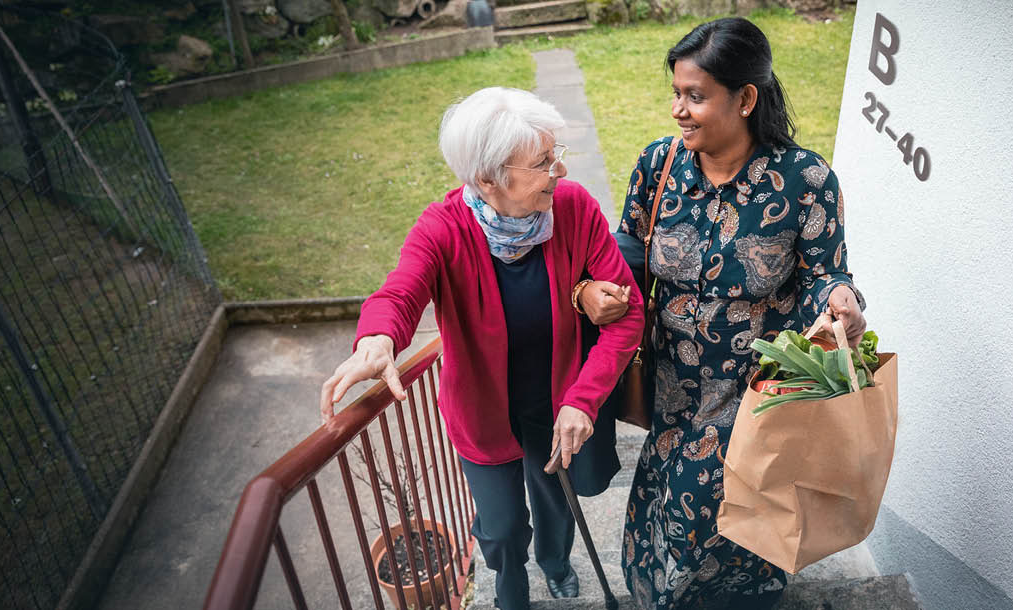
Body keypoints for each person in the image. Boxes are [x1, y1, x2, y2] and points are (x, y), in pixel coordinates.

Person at [576, 17, 868, 610]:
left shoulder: (804, 180)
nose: (678, 109)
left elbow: (824, 273)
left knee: (719, 508)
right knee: (667, 503)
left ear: (745, 99)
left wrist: (841, 300)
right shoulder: (659, 166)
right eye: (677, 94)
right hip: (669, 384)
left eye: (695, 96)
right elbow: (622, 254)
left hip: (753, 393)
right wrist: (591, 291)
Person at [319, 87, 644, 610]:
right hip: (482, 410)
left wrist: (583, 399)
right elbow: (401, 290)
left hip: (555, 399)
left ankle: (556, 563)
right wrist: (378, 338)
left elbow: (627, 316)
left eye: (556, 154)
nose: (559, 171)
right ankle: (508, 585)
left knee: (557, 504)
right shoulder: (442, 227)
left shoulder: (574, 208)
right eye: (543, 162)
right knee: (500, 526)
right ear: (489, 178)